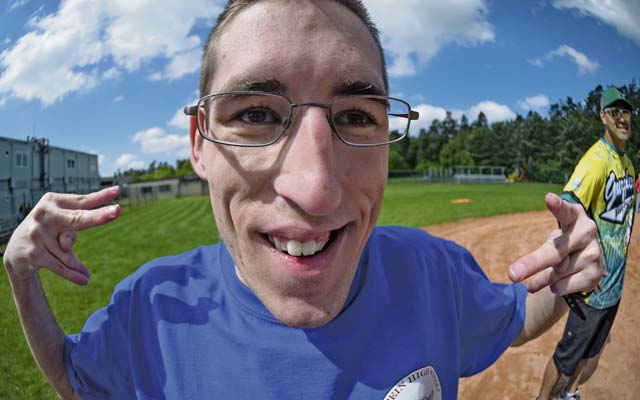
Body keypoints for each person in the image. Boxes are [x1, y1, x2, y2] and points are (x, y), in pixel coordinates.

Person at [3, 1, 602, 399]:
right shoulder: (149, 311)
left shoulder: (433, 274)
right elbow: (77, 379)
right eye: (257, 114)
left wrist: (562, 281)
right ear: (200, 144)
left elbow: (515, 320)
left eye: (357, 116)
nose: (315, 189)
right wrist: (22, 278)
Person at [537, 87, 636, 400]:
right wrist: (578, 249)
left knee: (592, 353)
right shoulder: (596, 159)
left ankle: (567, 393)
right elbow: (568, 205)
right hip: (592, 288)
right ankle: (542, 399)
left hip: (614, 285)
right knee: (568, 355)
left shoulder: (628, 165)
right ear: (603, 116)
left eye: (627, 112)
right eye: (615, 112)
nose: (623, 118)